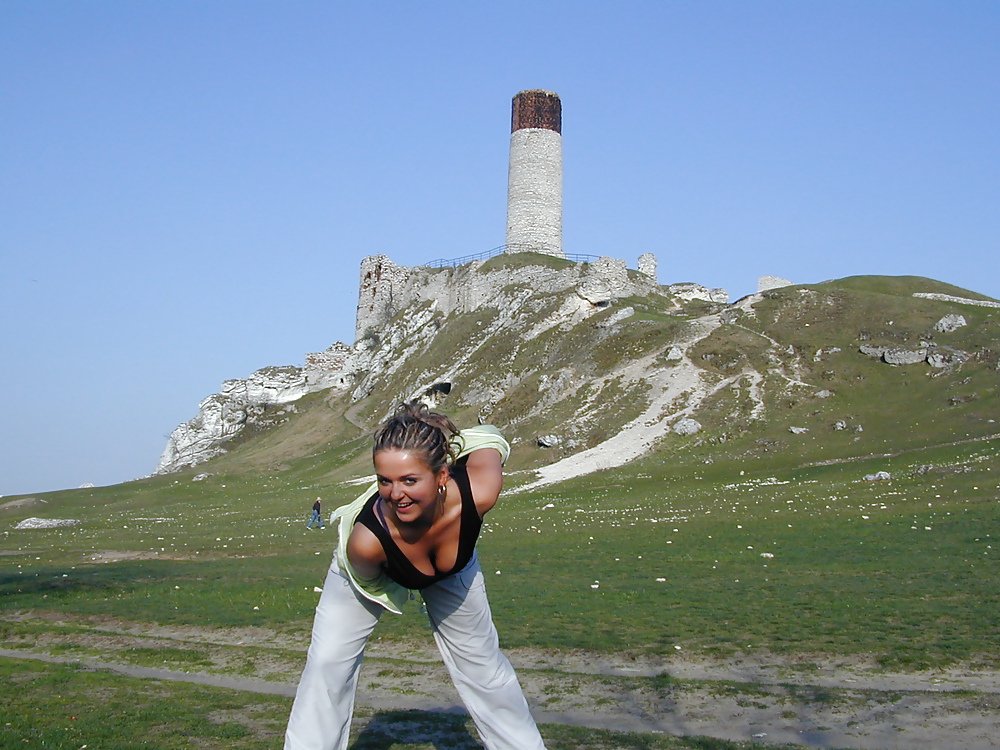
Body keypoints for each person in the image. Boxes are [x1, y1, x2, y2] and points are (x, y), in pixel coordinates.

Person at [284, 402, 546, 750]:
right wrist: (405, 589)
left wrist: (451, 440)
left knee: (484, 667)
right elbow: (374, 586)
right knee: (327, 665)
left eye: (410, 480)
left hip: (453, 565)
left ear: (442, 475)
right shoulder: (365, 544)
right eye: (385, 481)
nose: (396, 494)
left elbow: (488, 438)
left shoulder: (479, 490)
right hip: (372, 573)